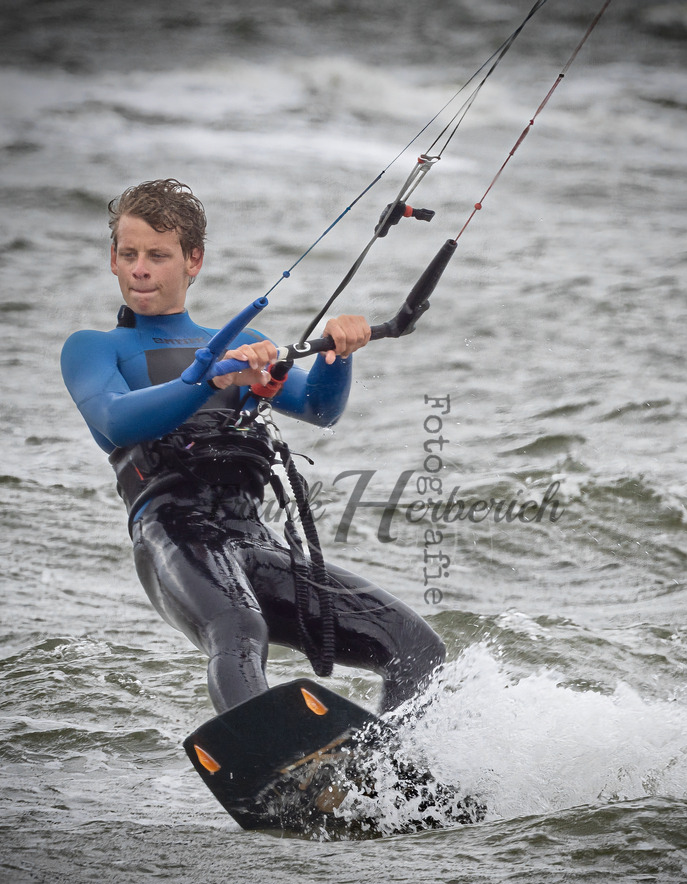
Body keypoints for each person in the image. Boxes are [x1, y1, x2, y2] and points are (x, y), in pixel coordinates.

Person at [61, 178, 445, 717]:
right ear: (113, 260)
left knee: (416, 645)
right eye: (128, 254)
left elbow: (319, 408)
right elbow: (114, 419)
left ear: (193, 261)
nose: (140, 268)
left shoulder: (237, 347)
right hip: (173, 534)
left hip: (249, 537)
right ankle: (270, 760)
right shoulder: (95, 349)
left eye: (158, 255)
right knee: (240, 626)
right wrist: (207, 378)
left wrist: (339, 352)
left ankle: (400, 785)